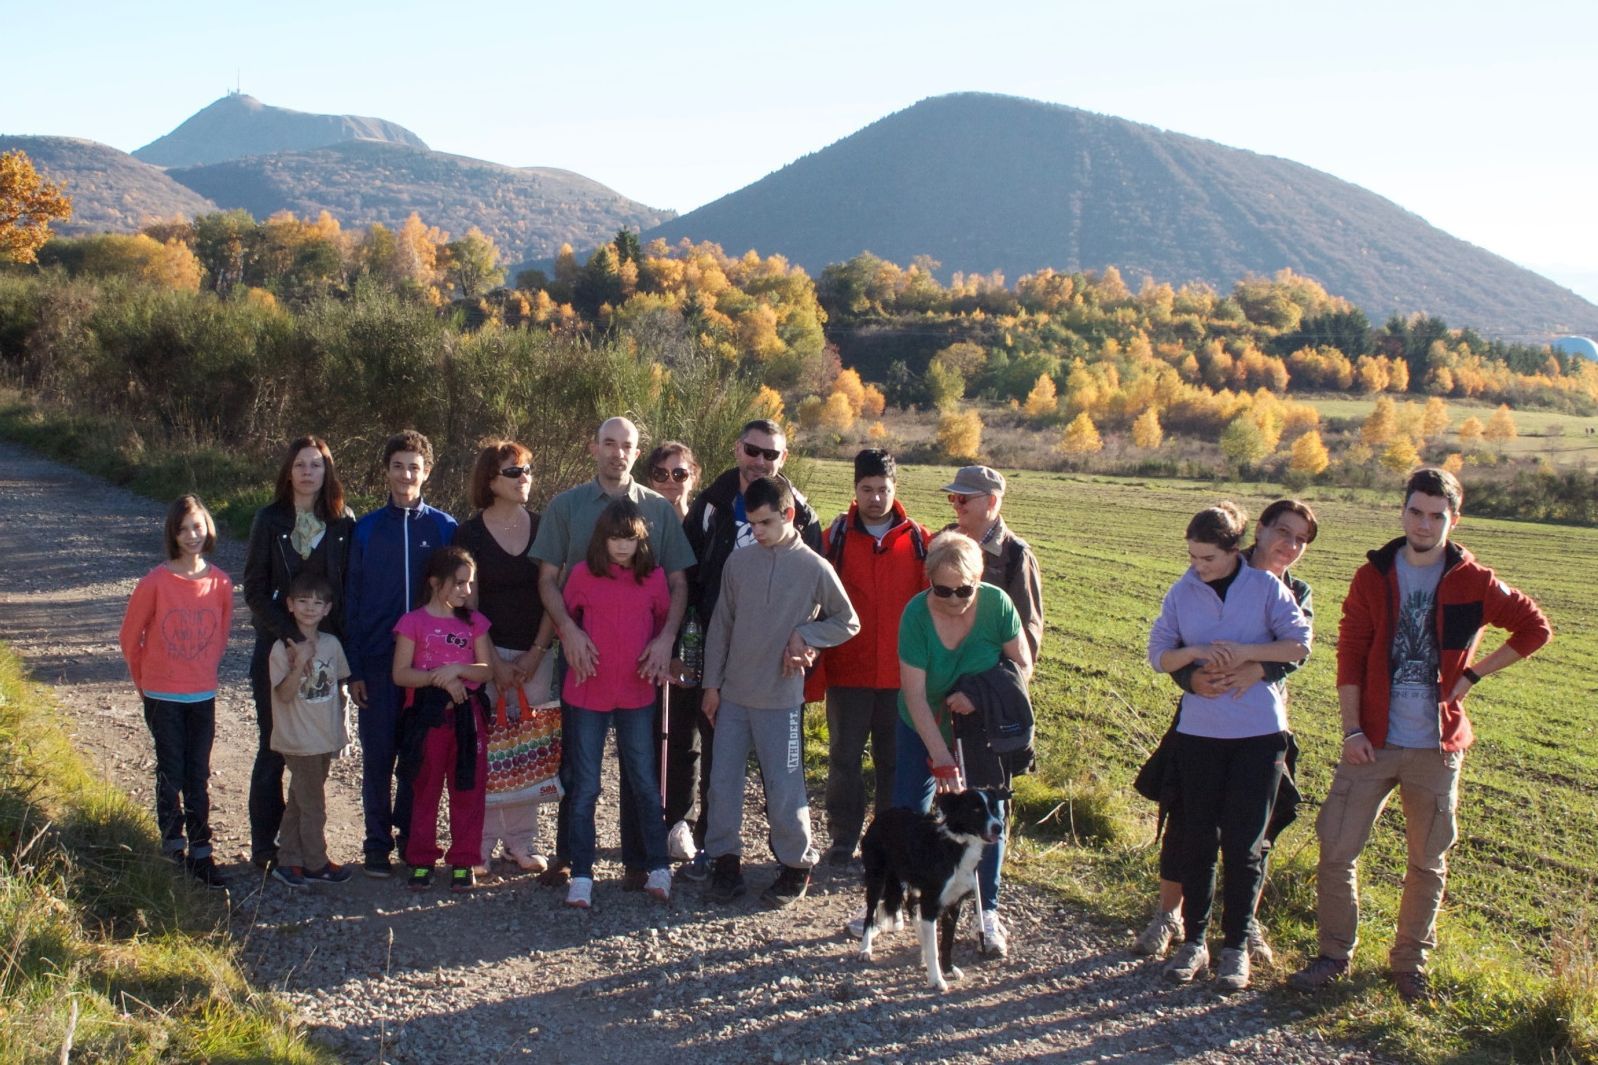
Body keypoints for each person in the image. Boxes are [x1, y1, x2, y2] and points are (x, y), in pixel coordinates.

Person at [1290, 468, 1551, 1005]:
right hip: (1373, 741)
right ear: (1403, 511)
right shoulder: (1374, 575)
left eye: (1437, 515)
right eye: (1416, 511)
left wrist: (1473, 676)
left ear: (1453, 520)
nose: (1425, 523)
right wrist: (1353, 729)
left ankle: (1410, 965)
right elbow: (1350, 654)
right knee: (1337, 848)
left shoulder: (1474, 581)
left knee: (1426, 861)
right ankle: (1334, 955)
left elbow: (1535, 629)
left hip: (1437, 748)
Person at [1135, 499, 1319, 963]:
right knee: (1192, 833)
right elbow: (1161, 652)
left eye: (1300, 538)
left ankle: (1238, 938)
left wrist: (1249, 660)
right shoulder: (1184, 590)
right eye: (1282, 531)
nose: (1289, 544)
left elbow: (1299, 646)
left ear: (1233, 549)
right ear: (1258, 531)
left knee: (1247, 842)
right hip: (1200, 729)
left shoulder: (1280, 589)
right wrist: (1191, 664)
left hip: (1258, 731)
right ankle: (1182, 929)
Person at [531, 417, 695, 889]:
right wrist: (568, 630)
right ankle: (568, 855)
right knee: (577, 764)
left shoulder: (658, 511)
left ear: (635, 452)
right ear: (593, 447)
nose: (617, 453)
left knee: (638, 765)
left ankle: (637, 860)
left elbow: (677, 583)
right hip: (581, 657)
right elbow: (547, 579)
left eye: (626, 446)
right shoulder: (567, 505)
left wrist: (665, 640)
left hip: (640, 661)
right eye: (609, 443)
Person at [702, 476, 859, 908]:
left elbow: (847, 621)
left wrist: (806, 634)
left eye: (766, 523)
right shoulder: (739, 562)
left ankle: (794, 865)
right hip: (733, 695)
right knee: (723, 783)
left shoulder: (814, 567)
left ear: (789, 515)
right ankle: (725, 861)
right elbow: (721, 627)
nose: (758, 532)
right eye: (752, 524)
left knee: (785, 786)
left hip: (781, 700)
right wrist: (711, 685)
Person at [683, 419, 822, 879]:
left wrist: (808, 639)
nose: (761, 461)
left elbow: (821, 597)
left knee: (782, 775)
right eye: (753, 450)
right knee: (720, 768)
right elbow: (690, 578)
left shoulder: (802, 513)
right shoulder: (710, 504)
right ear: (738, 448)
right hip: (723, 660)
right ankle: (718, 854)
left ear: (783, 459)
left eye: (771, 454)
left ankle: (791, 860)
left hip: (781, 677)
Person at [893, 531, 1032, 956]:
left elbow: (1023, 665)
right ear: (927, 579)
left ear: (979, 579)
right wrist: (940, 759)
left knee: (989, 820)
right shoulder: (915, 616)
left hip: (978, 730)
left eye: (964, 590)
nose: (954, 599)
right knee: (910, 814)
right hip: (921, 723)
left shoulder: (997, 605)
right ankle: (897, 899)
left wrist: (981, 696)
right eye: (942, 590)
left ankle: (987, 912)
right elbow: (915, 695)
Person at [344, 431, 457, 879]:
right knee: (377, 755)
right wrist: (353, 666)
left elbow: (460, 598)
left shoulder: (444, 527)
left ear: (427, 471)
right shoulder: (367, 529)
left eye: (414, 466)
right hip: (376, 658)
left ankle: (412, 837)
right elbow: (351, 601)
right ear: (386, 470)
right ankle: (376, 843)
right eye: (398, 465)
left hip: (426, 665)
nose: (406, 474)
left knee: (418, 754)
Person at [812, 448, 929, 867]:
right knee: (844, 757)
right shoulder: (836, 537)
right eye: (867, 489)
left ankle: (885, 837)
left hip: (902, 675)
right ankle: (842, 837)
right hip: (849, 669)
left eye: (883, 489)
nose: (875, 497)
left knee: (892, 762)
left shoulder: (918, 540)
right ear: (855, 489)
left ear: (895, 489)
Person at [243, 435, 354, 872]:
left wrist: (335, 651)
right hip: (278, 647)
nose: (308, 472)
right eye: (300, 464)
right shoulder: (268, 520)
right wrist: (291, 636)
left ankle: (303, 848)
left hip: (327, 652)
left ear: (327, 473)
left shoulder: (343, 522)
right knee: (274, 748)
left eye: (316, 465)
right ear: (288, 471)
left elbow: (347, 592)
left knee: (318, 752)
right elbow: (254, 590)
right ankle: (266, 848)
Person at [561, 500, 675, 907]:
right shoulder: (581, 575)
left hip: (637, 693)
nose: (622, 546)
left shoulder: (654, 579)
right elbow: (565, 616)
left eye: (630, 538)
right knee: (586, 786)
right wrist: (572, 637)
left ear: (641, 539)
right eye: (615, 538)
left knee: (644, 782)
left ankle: (659, 867)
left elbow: (663, 623)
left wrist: (661, 653)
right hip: (588, 692)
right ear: (601, 539)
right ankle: (581, 874)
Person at [118, 494, 233, 889]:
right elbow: (130, 637)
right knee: (171, 774)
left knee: (197, 774)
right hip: (162, 695)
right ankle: (172, 850)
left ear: (208, 528)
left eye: (197, 526)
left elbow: (220, 633)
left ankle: (202, 853)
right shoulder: (154, 582)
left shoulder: (220, 582)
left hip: (202, 694)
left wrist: (203, 670)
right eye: (183, 529)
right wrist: (145, 683)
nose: (191, 535)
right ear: (173, 533)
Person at [454, 441, 554, 876]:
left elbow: (555, 595)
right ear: (490, 481)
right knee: (488, 750)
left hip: (536, 652)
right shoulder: (469, 534)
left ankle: (521, 841)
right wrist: (492, 659)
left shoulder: (546, 526)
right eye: (514, 472)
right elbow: (468, 605)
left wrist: (535, 653)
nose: (524, 477)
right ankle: (481, 844)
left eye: (528, 469)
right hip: (485, 654)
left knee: (527, 748)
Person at [393, 546, 494, 893]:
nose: (467, 591)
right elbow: (401, 674)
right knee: (425, 788)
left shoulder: (475, 623)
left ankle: (464, 860)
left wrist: (458, 671)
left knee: (467, 788)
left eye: (471, 584)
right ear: (436, 583)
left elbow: (486, 669)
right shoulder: (413, 622)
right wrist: (441, 679)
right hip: (427, 718)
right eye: (460, 584)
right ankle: (420, 859)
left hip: (468, 719)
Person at [643, 442, 712, 874]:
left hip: (708, 645)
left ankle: (703, 830)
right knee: (664, 737)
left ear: (695, 477)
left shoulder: (709, 525)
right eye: (661, 474)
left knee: (706, 738)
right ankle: (664, 823)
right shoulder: (640, 527)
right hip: (654, 645)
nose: (671, 483)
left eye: (680, 474)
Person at [267, 572, 354, 889]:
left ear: (327, 609)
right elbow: (284, 694)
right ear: (289, 605)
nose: (309, 608)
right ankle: (317, 863)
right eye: (303, 601)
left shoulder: (331, 644)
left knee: (300, 800)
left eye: (317, 603)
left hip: (323, 738)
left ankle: (288, 861)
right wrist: (299, 661)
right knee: (314, 805)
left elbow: (340, 689)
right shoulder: (281, 648)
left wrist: (342, 734)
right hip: (297, 740)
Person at [941, 466, 1043, 661]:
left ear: (992, 501)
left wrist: (1004, 682)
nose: (956, 505)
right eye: (953, 498)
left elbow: (1027, 631)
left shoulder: (1017, 555)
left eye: (963, 498)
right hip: (945, 673)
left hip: (989, 677)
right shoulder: (945, 540)